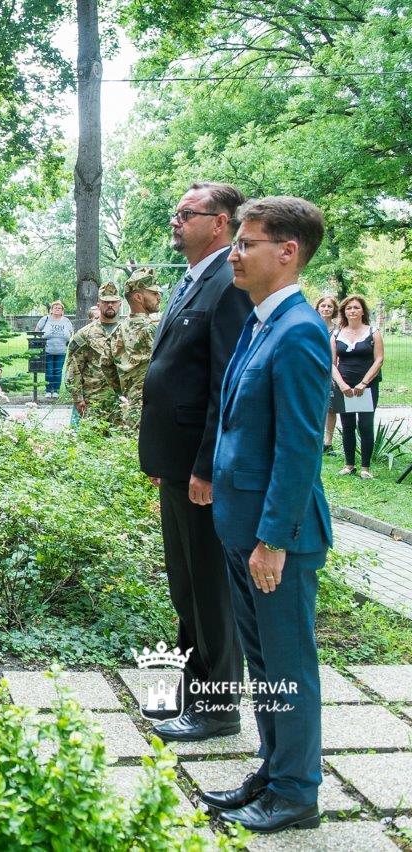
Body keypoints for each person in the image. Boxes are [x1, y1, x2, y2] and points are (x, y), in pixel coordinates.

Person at [204, 196, 332, 834]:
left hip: (276, 536)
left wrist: (272, 540)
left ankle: (296, 792)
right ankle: (271, 769)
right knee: (264, 665)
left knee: (287, 666)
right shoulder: (263, 321)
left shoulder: (302, 330)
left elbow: (301, 446)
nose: (235, 253)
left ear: (287, 252)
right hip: (244, 527)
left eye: (246, 243)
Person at [138, 181, 252, 743]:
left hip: (200, 471)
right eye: (176, 212)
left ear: (222, 221)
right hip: (176, 462)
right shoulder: (193, 280)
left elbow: (222, 388)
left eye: (188, 213)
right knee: (186, 585)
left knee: (209, 586)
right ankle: (190, 692)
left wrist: (206, 466)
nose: (176, 221)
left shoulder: (228, 284)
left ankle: (218, 707)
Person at [332, 294, 385, 478]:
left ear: (363, 311)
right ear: (344, 312)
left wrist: (364, 383)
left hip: (367, 386)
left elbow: (379, 360)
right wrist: (341, 384)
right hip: (344, 386)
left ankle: (365, 468)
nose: (352, 311)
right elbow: (331, 363)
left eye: (356, 307)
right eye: (348, 308)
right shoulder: (337, 334)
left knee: (365, 424)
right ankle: (349, 465)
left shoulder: (373, 331)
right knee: (347, 425)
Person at [64, 282, 124, 423]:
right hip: (94, 401)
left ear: (120, 304)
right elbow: (73, 368)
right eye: (106, 302)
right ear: (98, 305)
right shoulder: (85, 334)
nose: (110, 305)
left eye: (113, 302)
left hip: (123, 400)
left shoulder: (128, 332)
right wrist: (78, 399)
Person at [113, 269, 162, 422]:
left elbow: (106, 365)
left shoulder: (118, 329)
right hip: (152, 406)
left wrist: (124, 390)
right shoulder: (154, 328)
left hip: (130, 405)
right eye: (154, 293)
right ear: (139, 297)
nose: (158, 297)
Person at [314, 295, 340, 453]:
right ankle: (316, 438)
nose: (326, 309)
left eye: (329, 306)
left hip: (333, 372)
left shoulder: (338, 330)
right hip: (314, 370)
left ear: (334, 310)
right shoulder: (312, 326)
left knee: (331, 408)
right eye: (323, 306)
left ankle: (328, 442)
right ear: (317, 308)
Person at [35, 300, 74, 398]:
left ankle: (56, 390)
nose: (57, 309)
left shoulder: (66, 321)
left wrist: (67, 341)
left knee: (58, 371)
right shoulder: (45, 319)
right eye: (55, 308)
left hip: (61, 350)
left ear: (62, 311)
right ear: (51, 310)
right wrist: (40, 341)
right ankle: (48, 390)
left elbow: (71, 333)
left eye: (59, 308)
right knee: (49, 370)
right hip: (48, 350)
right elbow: (37, 331)